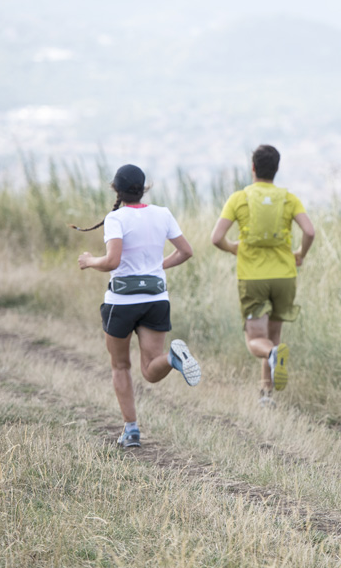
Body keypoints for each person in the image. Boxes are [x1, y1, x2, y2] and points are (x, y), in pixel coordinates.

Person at [75, 163, 201, 448]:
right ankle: (172, 359)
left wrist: (89, 261)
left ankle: (131, 430)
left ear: (116, 190)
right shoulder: (162, 213)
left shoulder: (116, 218)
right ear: (144, 188)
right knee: (150, 370)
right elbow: (186, 251)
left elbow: (112, 261)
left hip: (121, 302)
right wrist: (157, 267)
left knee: (121, 365)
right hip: (156, 299)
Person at [211, 145, 315, 407]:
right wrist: (300, 253)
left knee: (256, 340)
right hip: (284, 277)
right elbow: (310, 231)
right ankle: (266, 393)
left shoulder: (239, 198)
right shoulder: (289, 198)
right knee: (274, 335)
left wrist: (233, 248)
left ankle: (270, 359)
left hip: (253, 278)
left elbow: (216, 238)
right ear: (276, 169)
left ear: (253, 168)